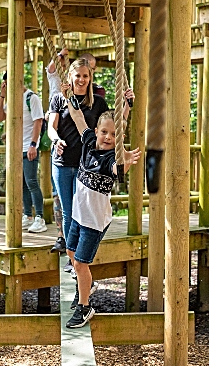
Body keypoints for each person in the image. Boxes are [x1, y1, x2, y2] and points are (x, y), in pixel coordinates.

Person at [48, 58, 133, 272]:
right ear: (70, 77)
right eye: (78, 75)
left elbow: (112, 125)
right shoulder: (60, 99)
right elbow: (52, 127)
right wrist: (56, 140)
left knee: (81, 210)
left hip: (86, 164)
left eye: (86, 76)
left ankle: (77, 256)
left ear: (90, 78)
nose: (81, 79)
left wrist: (127, 105)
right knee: (69, 211)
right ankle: (72, 255)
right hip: (63, 161)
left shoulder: (97, 102)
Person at [63, 107, 141, 328]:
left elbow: (118, 169)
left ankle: (85, 307)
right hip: (78, 215)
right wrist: (68, 97)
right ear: (96, 131)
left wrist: (125, 158)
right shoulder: (88, 142)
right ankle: (88, 283)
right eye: (105, 132)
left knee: (79, 264)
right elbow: (78, 117)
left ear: (119, 139)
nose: (108, 137)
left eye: (114, 135)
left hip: (94, 222)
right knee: (70, 252)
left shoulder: (109, 159)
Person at [0, 72, 47, 233]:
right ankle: (28, 215)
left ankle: (40, 217)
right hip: (15, 149)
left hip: (29, 147)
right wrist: (2, 96)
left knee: (31, 181)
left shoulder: (31, 97)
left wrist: (33, 144)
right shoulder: (10, 99)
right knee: (22, 184)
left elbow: (38, 121)